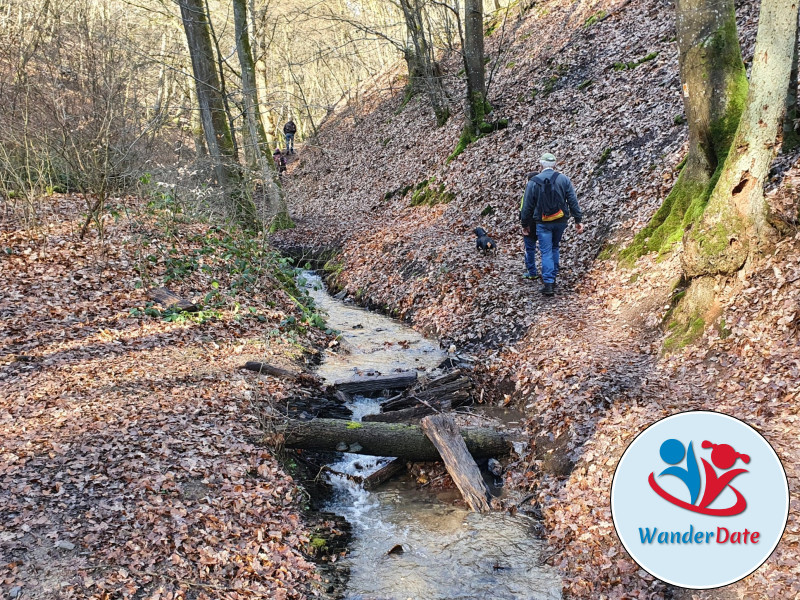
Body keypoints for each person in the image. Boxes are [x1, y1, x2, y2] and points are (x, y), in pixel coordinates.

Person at [520, 152, 584, 296]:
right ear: (555, 165)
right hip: (561, 221)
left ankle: (548, 283)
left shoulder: (533, 181)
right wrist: (578, 220)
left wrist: (525, 224)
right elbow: (572, 201)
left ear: (541, 164)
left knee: (546, 251)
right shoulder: (564, 179)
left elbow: (527, 206)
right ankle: (553, 278)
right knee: (555, 247)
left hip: (543, 222)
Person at [520, 175, 539, 280]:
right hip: (543, 222)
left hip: (530, 224)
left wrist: (524, 224)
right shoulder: (543, 190)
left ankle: (532, 272)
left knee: (530, 248)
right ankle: (550, 272)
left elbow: (524, 209)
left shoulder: (528, 191)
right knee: (547, 248)